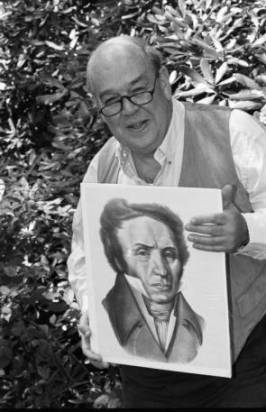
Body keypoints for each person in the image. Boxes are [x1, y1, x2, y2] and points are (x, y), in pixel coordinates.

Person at [67, 35, 266, 407]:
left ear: (163, 82)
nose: (129, 109)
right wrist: (93, 316)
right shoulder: (102, 167)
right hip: (147, 379)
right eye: (112, 101)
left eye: (139, 91)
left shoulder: (234, 131)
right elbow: (84, 259)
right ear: (99, 107)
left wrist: (246, 231)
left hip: (246, 367)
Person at [99, 198, 204, 363]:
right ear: (118, 260)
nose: (161, 270)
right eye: (143, 253)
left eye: (169, 254)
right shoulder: (104, 317)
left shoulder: (202, 326)